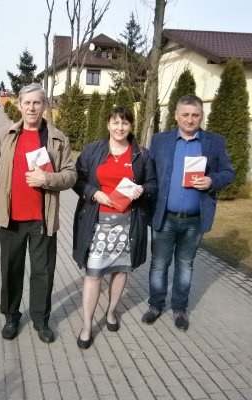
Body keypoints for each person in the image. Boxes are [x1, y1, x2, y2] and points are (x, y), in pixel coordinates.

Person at [0, 83, 77, 343]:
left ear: (44, 105)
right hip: (11, 218)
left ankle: (41, 320)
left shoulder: (57, 138)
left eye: (37, 102)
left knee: (43, 272)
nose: (31, 108)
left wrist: (47, 179)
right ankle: (11, 317)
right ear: (19, 105)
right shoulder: (7, 134)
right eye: (27, 103)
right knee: (11, 270)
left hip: (42, 219)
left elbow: (71, 175)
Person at [142, 94, 235, 331]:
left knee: (185, 265)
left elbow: (228, 172)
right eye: (185, 114)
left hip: (195, 219)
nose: (190, 119)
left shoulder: (215, 142)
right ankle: (155, 305)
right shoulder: (160, 140)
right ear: (176, 115)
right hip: (165, 216)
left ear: (201, 116)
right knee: (159, 264)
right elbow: (149, 173)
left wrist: (212, 180)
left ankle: (180, 309)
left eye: (195, 115)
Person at [72, 106, 157, 349]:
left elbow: (153, 183)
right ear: (108, 125)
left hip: (128, 224)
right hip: (98, 223)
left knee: (120, 271)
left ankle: (111, 312)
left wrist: (142, 190)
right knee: (93, 274)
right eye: (116, 122)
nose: (120, 128)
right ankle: (87, 325)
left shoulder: (141, 154)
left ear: (131, 126)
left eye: (125, 123)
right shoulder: (93, 150)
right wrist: (94, 192)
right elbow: (77, 179)